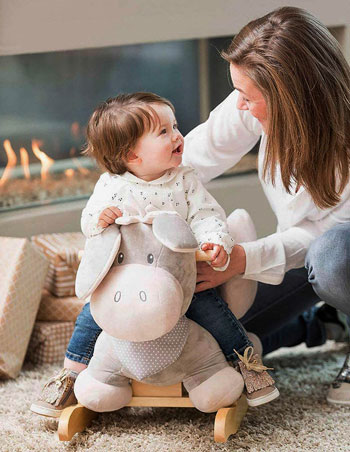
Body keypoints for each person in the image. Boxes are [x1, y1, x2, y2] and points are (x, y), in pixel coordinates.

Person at [30, 92, 278, 418]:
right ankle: (71, 374)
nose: (177, 135)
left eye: (174, 126)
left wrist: (214, 241)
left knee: (212, 308)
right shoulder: (111, 186)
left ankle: (245, 361)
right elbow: (90, 221)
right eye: (164, 132)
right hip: (125, 279)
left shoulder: (184, 180)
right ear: (132, 155)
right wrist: (100, 219)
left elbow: (207, 215)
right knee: (91, 314)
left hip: (178, 278)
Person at [183, 6, 350, 405]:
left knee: (333, 258)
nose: (239, 105)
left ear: (292, 98)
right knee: (222, 339)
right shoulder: (254, 102)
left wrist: (245, 259)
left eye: (247, 96)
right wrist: (127, 199)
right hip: (301, 254)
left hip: (338, 252)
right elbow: (187, 162)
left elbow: (324, 235)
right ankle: (326, 323)